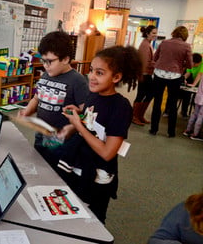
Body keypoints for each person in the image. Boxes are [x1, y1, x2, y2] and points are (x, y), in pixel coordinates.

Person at [58, 45, 141, 223]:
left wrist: (77, 126)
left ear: (116, 77)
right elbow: (92, 119)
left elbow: (107, 152)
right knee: (72, 208)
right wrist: (79, 114)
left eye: (100, 73)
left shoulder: (120, 107)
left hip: (97, 174)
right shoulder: (93, 95)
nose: (92, 76)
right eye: (91, 70)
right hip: (79, 162)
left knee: (94, 219)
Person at [17, 31, 89, 169]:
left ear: (66, 59)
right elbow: (37, 98)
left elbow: (86, 114)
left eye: (50, 61)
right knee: (39, 166)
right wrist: (27, 111)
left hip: (62, 140)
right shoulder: (46, 75)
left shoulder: (77, 81)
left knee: (56, 174)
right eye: (43, 60)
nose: (45, 65)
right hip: (41, 134)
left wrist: (73, 127)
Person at [149, 26, 193, 137]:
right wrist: (181, 66)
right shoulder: (187, 46)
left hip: (159, 74)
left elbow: (155, 57)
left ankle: (154, 129)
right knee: (172, 104)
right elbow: (190, 65)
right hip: (175, 76)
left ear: (174, 33)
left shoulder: (164, 42)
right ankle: (171, 132)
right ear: (185, 35)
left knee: (157, 102)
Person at [132, 25, 157, 126]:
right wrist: (157, 63)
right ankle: (135, 116)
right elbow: (145, 63)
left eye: (156, 33)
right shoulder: (145, 45)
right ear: (147, 34)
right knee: (141, 95)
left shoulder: (148, 44)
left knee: (149, 94)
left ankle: (140, 115)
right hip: (144, 74)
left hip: (147, 74)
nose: (155, 35)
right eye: (153, 33)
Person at [183, 68, 203, 141]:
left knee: (194, 114)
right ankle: (195, 134)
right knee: (200, 117)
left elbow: (200, 74)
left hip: (198, 96)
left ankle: (188, 130)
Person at [180, 53, 203, 118]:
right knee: (186, 94)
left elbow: (200, 74)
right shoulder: (191, 63)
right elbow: (188, 73)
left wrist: (193, 84)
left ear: (200, 62)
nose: (193, 65)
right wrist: (184, 78)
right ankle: (184, 111)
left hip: (201, 84)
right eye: (192, 63)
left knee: (197, 100)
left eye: (195, 64)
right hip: (194, 80)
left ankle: (196, 115)